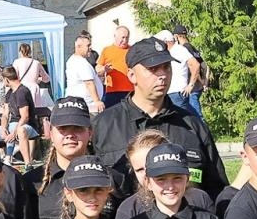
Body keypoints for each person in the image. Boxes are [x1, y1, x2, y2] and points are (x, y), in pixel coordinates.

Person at [92, 36, 226, 198]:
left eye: (166, 67)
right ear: (132, 75)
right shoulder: (104, 125)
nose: (162, 75)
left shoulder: (191, 125)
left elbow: (217, 188)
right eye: (153, 69)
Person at [0, 66, 37, 168]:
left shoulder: (22, 92)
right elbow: (5, 114)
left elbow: (25, 117)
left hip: (27, 126)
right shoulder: (9, 93)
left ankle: (27, 163)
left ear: (6, 79)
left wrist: (13, 134)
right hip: (12, 126)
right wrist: (3, 128)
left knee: (19, 129)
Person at [65, 32, 105, 114]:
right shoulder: (81, 63)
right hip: (87, 106)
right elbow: (89, 83)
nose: (90, 48)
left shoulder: (73, 60)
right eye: (88, 45)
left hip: (81, 104)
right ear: (79, 47)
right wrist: (97, 101)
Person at [99, 25, 133, 108]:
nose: (125, 40)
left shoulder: (133, 50)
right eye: (122, 37)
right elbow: (98, 68)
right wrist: (104, 69)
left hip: (130, 91)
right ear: (115, 36)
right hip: (112, 91)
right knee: (113, 118)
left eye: (127, 38)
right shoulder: (107, 50)